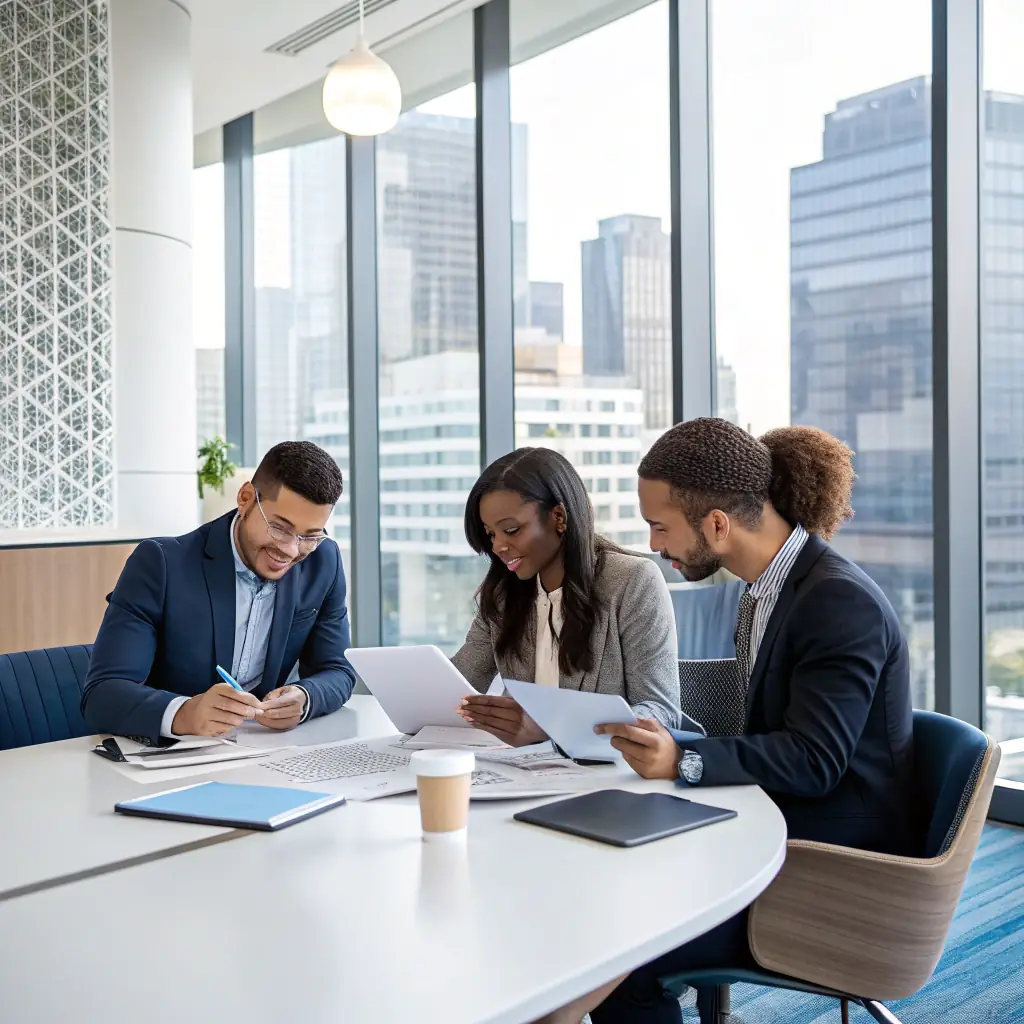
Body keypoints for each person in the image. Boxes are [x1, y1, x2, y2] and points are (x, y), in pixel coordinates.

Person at [538, 418, 915, 1024]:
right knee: (594, 885)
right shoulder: (769, 587)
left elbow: (814, 763)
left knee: (621, 948)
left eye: (660, 527)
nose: (655, 546)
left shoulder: (837, 602)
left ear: (717, 522)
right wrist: (672, 743)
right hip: (776, 821)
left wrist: (684, 759)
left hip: (836, 866)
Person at [82, 441, 356, 742]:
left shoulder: (323, 561)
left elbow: (338, 670)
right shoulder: (160, 565)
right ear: (246, 498)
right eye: (280, 528)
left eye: (309, 536)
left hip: (263, 753)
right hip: (171, 758)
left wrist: (305, 698)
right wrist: (186, 713)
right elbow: (102, 695)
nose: (291, 550)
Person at [452, 447, 681, 744]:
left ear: (558, 516)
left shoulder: (632, 581)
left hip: (602, 772)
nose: (498, 546)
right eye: (491, 534)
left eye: (511, 529)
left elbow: (659, 712)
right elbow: (462, 683)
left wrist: (552, 729)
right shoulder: (503, 593)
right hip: (518, 769)